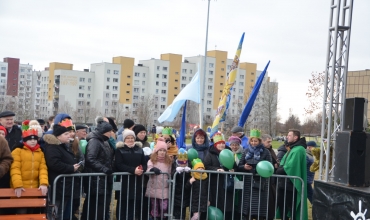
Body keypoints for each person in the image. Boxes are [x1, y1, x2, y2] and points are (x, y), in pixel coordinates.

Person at [44, 124, 82, 220]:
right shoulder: (53, 147)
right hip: (58, 185)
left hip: (65, 185)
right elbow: (54, 163)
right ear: (58, 136)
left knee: (61, 211)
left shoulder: (63, 146)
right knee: (54, 211)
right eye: (66, 134)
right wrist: (71, 168)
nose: (69, 135)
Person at [10, 127, 48, 214]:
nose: (33, 141)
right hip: (21, 189)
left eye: (35, 139)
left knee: (32, 213)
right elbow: (15, 169)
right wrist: (18, 185)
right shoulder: (17, 151)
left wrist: (43, 183)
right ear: (24, 140)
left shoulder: (40, 152)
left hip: (34, 189)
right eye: (30, 139)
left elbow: (43, 169)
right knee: (21, 212)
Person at [81, 121, 114, 220]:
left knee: (100, 204)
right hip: (96, 179)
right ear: (104, 132)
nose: (111, 133)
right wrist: (104, 169)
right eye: (109, 131)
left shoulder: (104, 141)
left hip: (101, 179)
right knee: (96, 204)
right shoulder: (94, 141)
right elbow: (90, 158)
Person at [238, 129, 273, 219]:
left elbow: (269, 166)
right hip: (248, 182)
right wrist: (244, 167)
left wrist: (259, 170)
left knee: (259, 206)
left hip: (261, 182)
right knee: (247, 206)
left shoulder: (266, 152)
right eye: (252, 141)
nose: (253, 143)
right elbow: (239, 165)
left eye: (255, 141)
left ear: (259, 141)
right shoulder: (246, 151)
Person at [275, 129, 308, 220]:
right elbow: (283, 163)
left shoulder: (298, 149)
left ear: (295, 137)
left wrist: (278, 170)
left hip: (291, 184)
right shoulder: (292, 148)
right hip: (284, 183)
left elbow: (289, 167)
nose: (287, 137)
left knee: (291, 207)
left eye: (289, 135)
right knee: (282, 207)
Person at [115, 129, 147, 220]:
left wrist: (142, 169)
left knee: (132, 204)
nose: (130, 140)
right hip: (123, 181)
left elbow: (144, 163)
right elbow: (118, 164)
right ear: (124, 139)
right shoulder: (119, 150)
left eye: (132, 137)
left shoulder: (139, 150)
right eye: (128, 138)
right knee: (122, 203)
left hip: (136, 182)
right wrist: (133, 170)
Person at [204, 132, 235, 219]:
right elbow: (206, 166)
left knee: (227, 206)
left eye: (223, 143)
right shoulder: (210, 154)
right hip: (215, 185)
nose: (221, 145)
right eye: (219, 143)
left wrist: (233, 170)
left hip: (227, 185)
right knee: (217, 204)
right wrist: (216, 169)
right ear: (215, 144)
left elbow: (234, 165)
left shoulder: (229, 153)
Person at [146, 138, 172, 219]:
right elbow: (148, 170)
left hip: (164, 188)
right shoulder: (151, 161)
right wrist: (152, 170)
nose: (162, 152)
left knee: (164, 207)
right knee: (155, 207)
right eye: (160, 150)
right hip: (154, 187)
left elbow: (170, 173)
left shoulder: (168, 161)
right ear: (157, 151)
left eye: (164, 150)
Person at [172, 148, 191, 219]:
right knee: (176, 212)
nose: (183, 164)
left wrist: (189, 171)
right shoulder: (174, 164)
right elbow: (171, 175)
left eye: (185, 162)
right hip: (176, 192)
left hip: (185, 192)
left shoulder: (189, 165)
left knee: (183, 212)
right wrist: (176, 171)